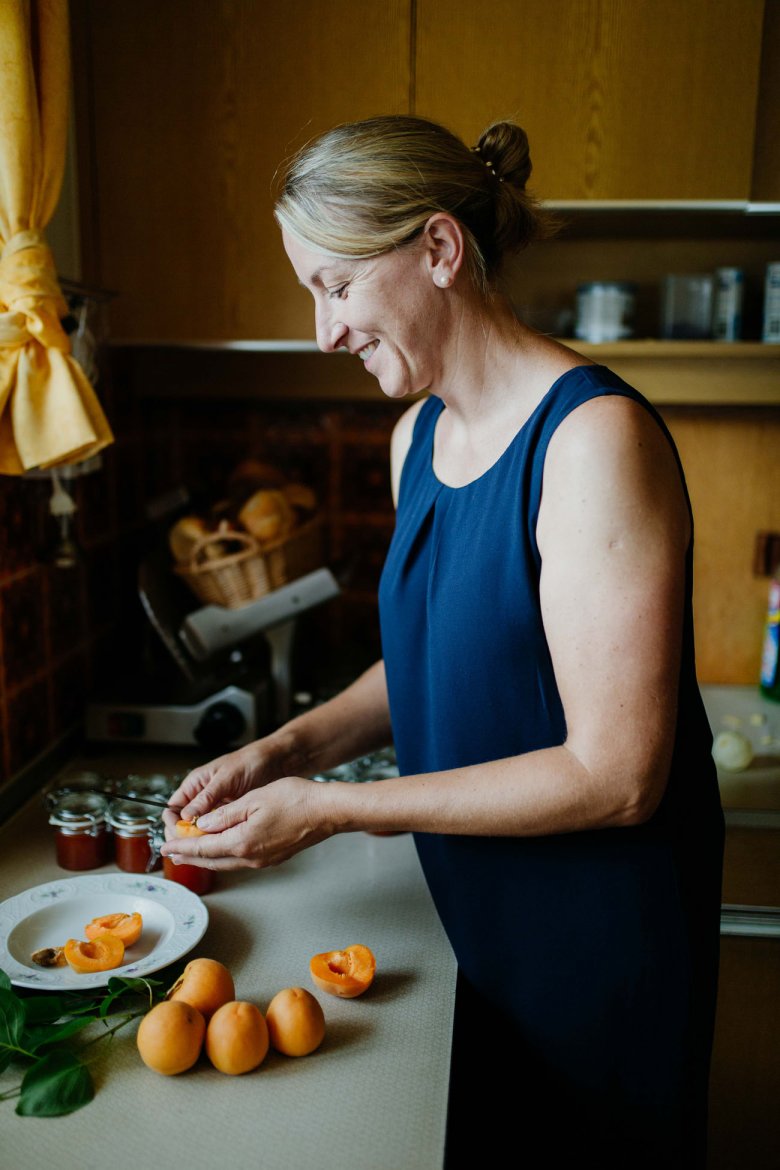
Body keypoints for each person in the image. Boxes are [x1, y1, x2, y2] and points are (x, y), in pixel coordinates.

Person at [162, 115, 724, 1168]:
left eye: (335, 285)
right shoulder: (415, 435)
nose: (324, 331)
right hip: (484, 922)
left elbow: (619, 776)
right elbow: (434, 655)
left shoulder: (592, 440)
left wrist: (331, 811)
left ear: (438, 249)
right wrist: (288, 749)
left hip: (604, 947)